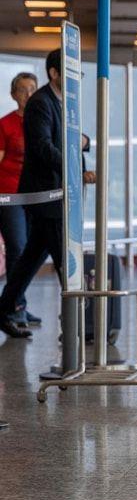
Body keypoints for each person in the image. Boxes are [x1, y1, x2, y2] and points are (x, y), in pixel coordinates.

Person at [0, 50, 93, 339]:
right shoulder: (41, 103)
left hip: (55, 195)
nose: (76, 78)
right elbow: (42, 148)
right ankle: (77, 327)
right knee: (66, 263)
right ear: (54, 73)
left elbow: (68, 139)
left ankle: (3, 309)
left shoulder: (62, 101)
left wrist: (85, 143)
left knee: (30, 259)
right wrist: (75, 171)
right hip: (46, 196)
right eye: (71, 72)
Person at [0, 72, 39, 327]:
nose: (28, 94)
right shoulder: (5, 125)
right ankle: (14, 307)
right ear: (14, 95)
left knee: (32, 251)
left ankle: (17, 302)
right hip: (9, 194)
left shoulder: (41, 121)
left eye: (32, 89)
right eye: (22, 90)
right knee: (18, 247)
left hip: (35, 194)